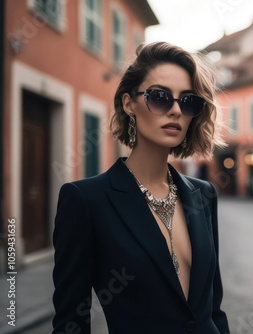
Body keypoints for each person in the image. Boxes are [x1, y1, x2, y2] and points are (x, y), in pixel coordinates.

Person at [51, 42, 230, 334]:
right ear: (128, 103)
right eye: (159, 97)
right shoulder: (86, 201)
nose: (174, 109)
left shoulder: (204, 195)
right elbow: (71, 322)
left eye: (187, 101)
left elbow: (213, 309)